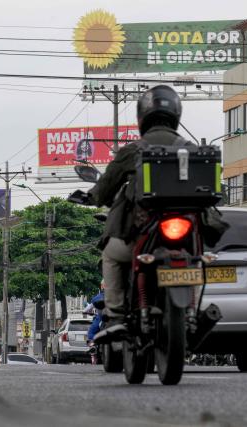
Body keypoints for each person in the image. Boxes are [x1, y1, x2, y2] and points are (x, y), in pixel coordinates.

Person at [88, 85, 193, 343]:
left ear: (142, 118)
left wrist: (91, 197)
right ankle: (191, 310)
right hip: (188, 231)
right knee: (196, 259)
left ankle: (115, 314)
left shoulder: (133, 150)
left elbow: (103, 190)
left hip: (143, 232)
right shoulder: (191, 149)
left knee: (110, 254)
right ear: (176, 115)